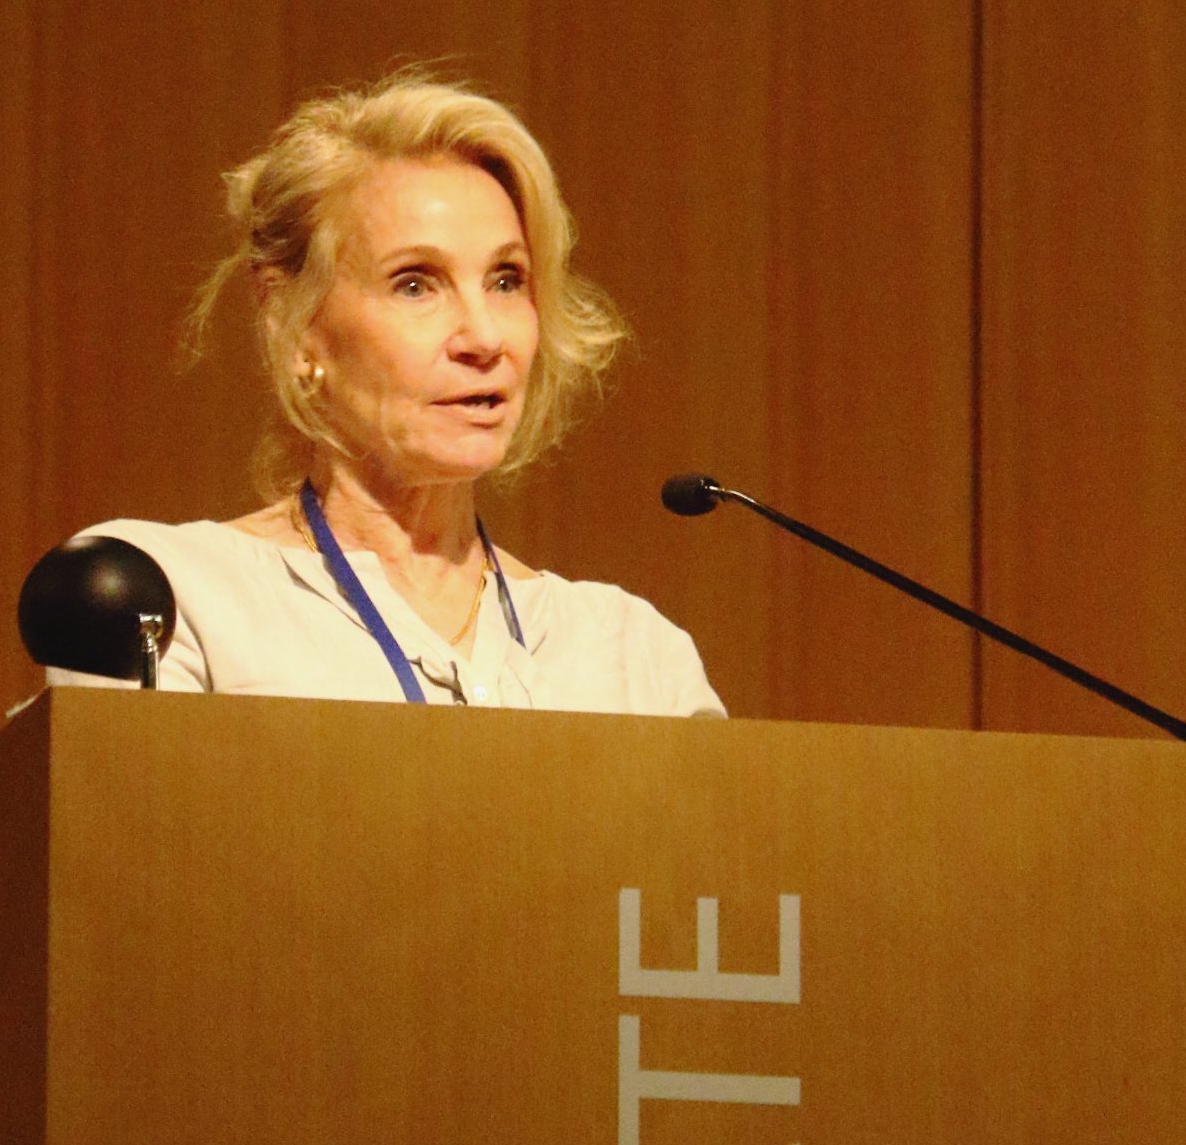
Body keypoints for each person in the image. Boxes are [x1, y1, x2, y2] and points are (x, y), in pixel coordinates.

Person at [49, 75, 724, 715]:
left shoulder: (637, 661)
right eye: (415, 284)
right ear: (294, 320)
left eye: (506, 280)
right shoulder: (160, 601)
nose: (484, 337)